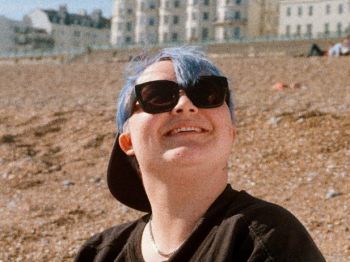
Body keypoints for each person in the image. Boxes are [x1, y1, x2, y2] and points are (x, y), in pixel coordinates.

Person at [75, 46, 325, 261]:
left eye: (208, 93)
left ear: (231, 133)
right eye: (157, 95)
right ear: (128, 141)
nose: (186, 105)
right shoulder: (100, 253)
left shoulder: (266, 238)